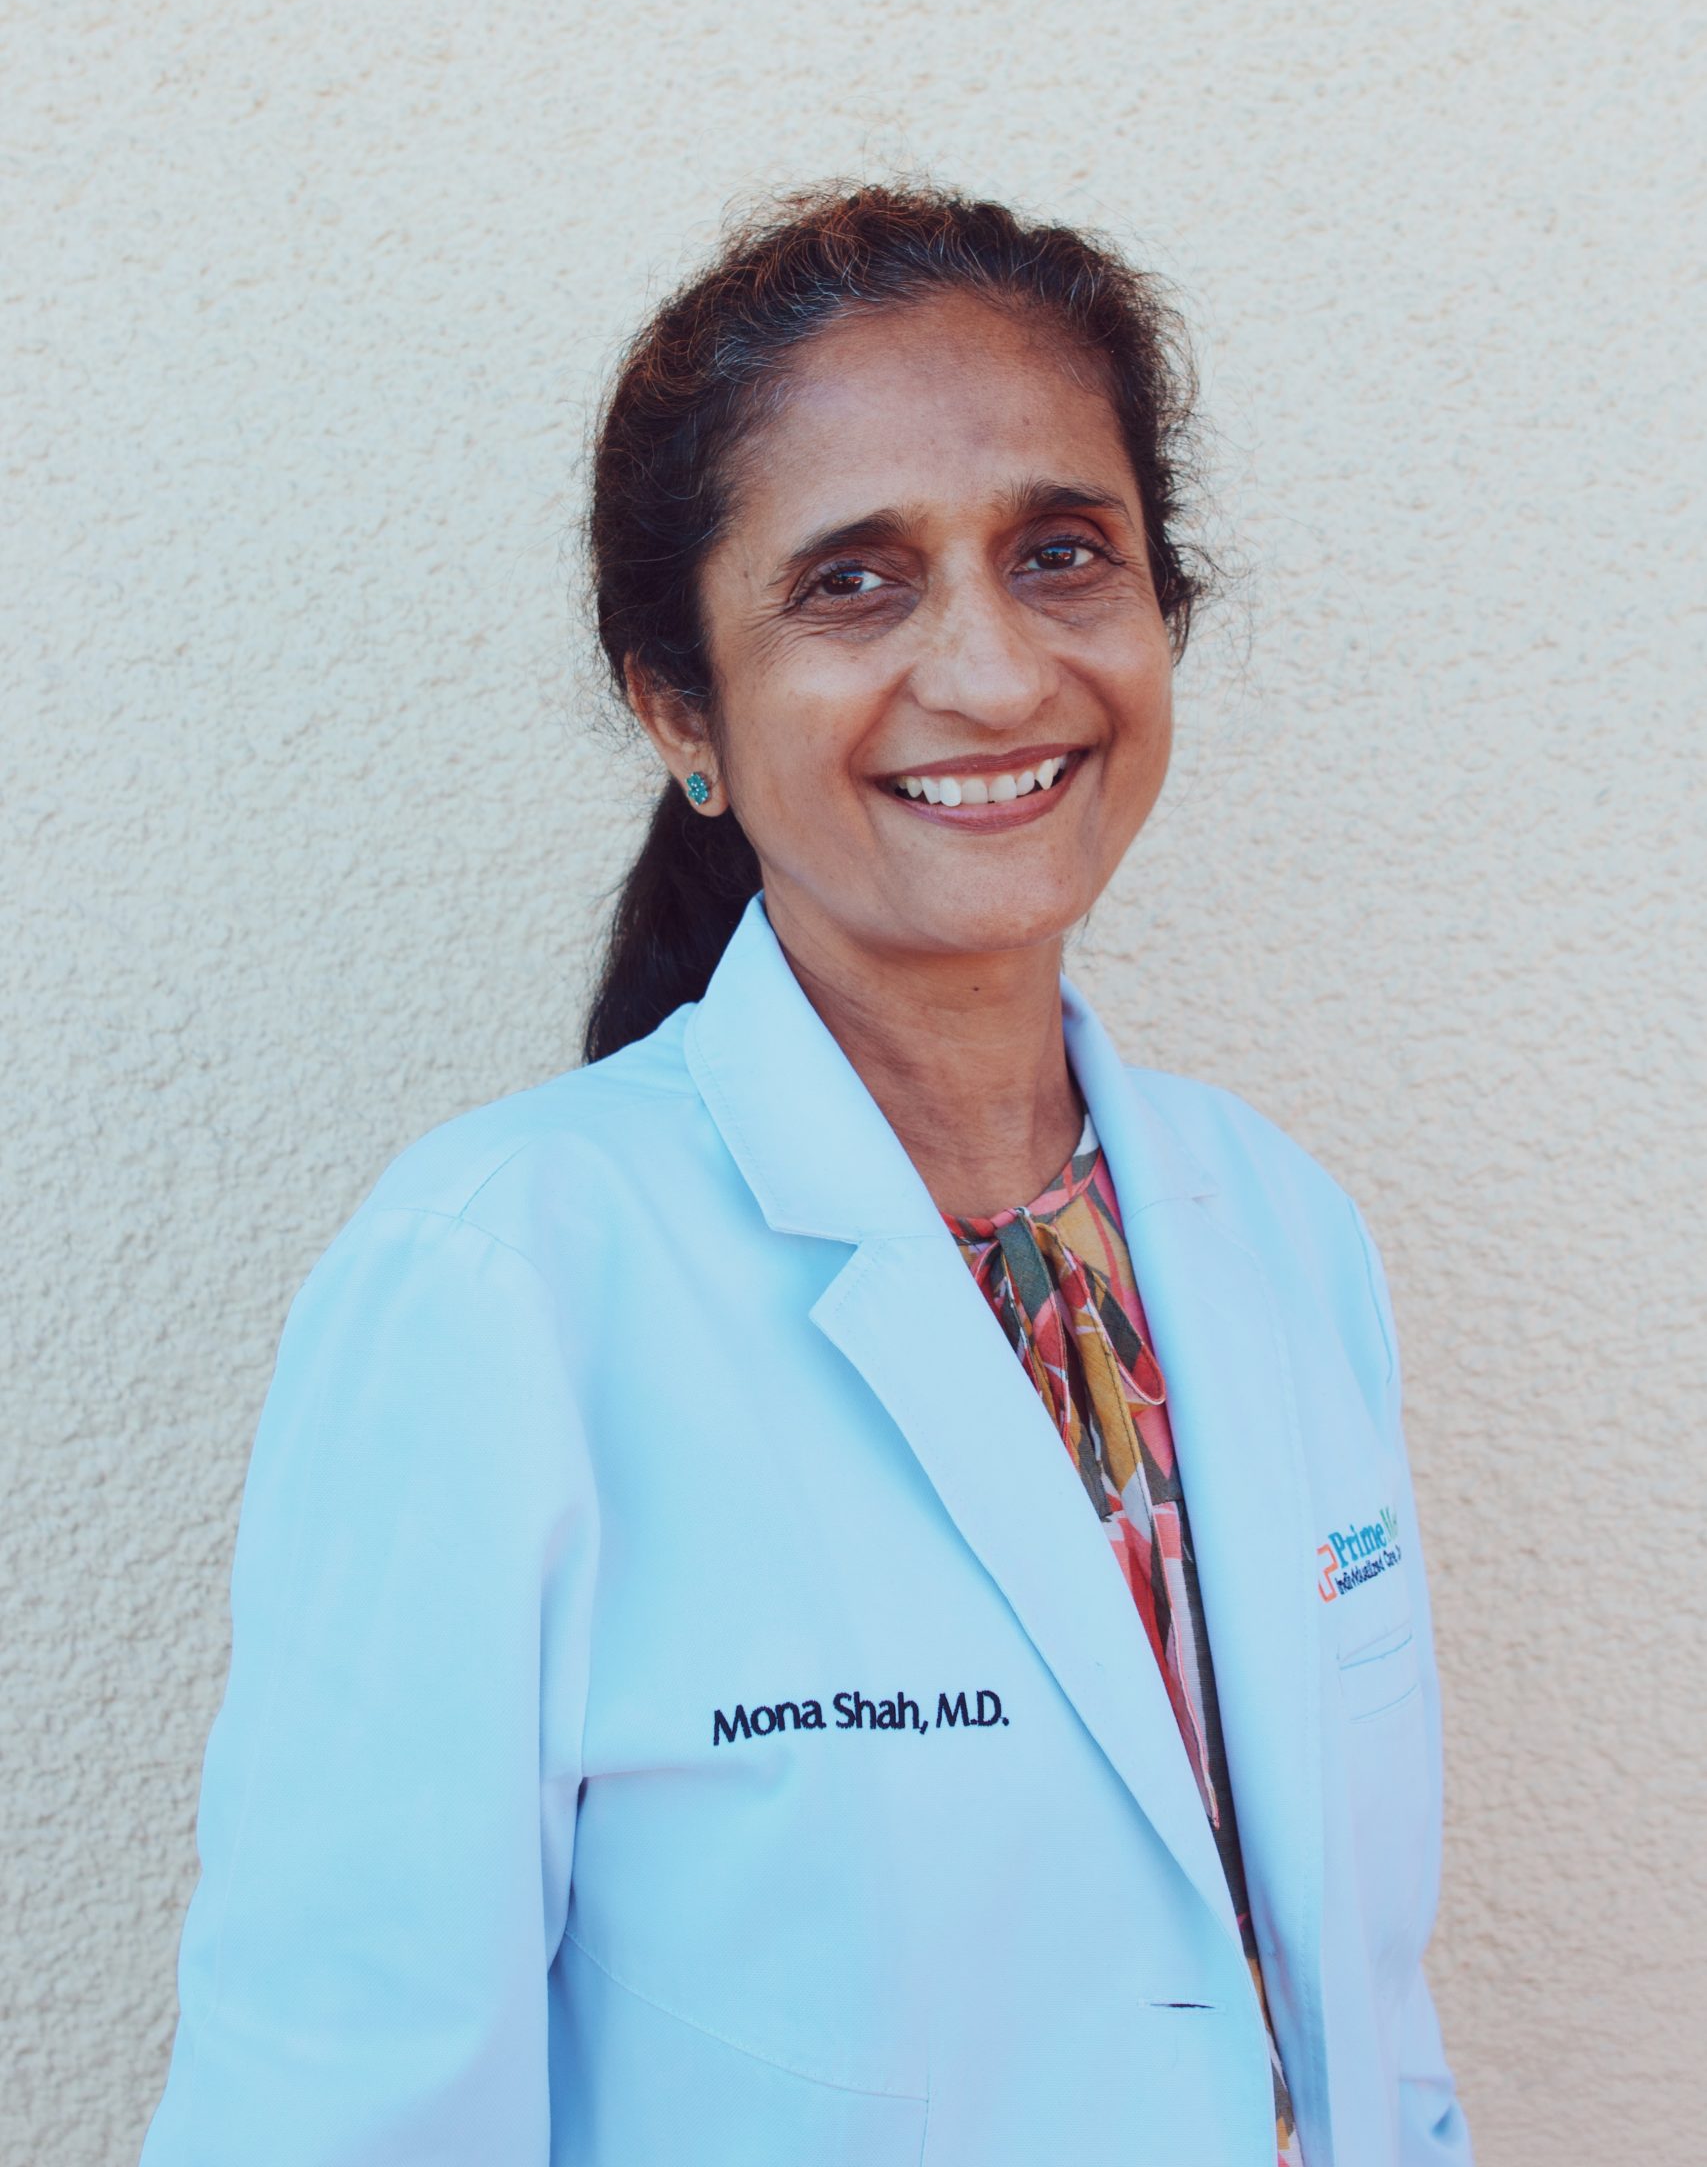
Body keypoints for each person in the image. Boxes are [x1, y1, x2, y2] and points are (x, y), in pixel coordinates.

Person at [140, 185, 1471, 2166]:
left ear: (1159, 610)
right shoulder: (497, 1287)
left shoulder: (1278, 1230)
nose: (994, 673)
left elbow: (1356, 2017)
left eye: (1060, 553)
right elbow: (337, 2117)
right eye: (854, 582)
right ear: (679, 706)